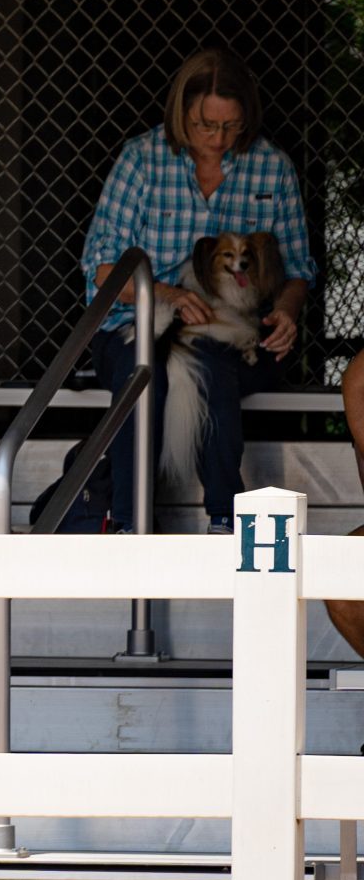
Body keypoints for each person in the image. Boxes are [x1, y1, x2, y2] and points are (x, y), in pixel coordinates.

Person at [86, 48, 314, 535]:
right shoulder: (141, 160)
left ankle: (225, 520)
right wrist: (166, 295)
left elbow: (297, 270)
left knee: (211, 365)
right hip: (138, 326)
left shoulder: (271, 167)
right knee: (145, 375)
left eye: (231, 126)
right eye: (205, 125)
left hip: (234, 332)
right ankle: (128, 524)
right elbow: (102, 271)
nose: (218, 138)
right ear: (181, 113)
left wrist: (287, 311)